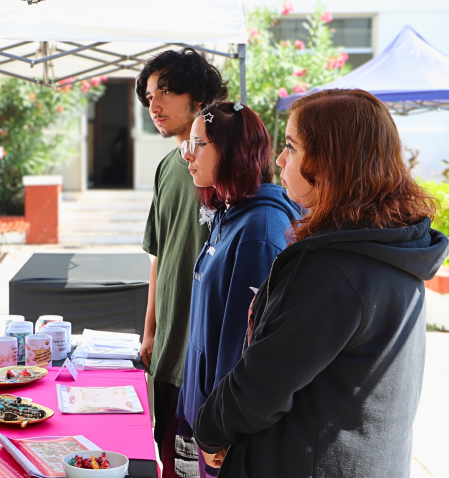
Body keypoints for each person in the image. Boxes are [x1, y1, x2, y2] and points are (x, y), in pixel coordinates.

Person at [194, 89, 449, 477]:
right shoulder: (388, 247)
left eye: (293, 148)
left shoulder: (333, 267)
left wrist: (209, 430)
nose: (280, 159)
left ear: (331, 162)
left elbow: (260, 386)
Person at [175, 101, 300, 478]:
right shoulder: (231, 212)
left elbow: (248, 348)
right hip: (205, 417)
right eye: (188, 145)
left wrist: (221, 428)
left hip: (227, 433)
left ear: (233, 151)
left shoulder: (261, 230)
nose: (189, 155)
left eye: (199, 144)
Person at [135, 49, 228, 478]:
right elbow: (161, 254)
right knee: (166, 457)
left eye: (166, 92)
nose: (153, 106)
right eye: (150, 95)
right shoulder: (167, 168)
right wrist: (150, 330)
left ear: (200, 96)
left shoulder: (227, 167)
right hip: (168, 350)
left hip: (208, 357)